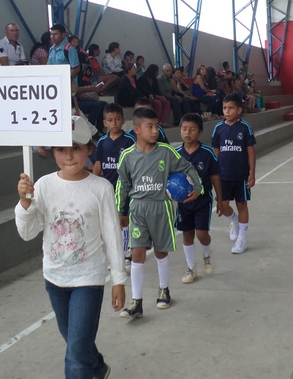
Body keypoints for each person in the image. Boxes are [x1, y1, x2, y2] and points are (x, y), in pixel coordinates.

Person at [15, 116, 126, 378]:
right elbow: (28, 233)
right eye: (61, 149)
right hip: (54, 278)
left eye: (76, 148)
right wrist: (25, 204)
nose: (68, 156)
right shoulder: (43, 186)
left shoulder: (101, 188)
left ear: (89, 149)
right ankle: (97, 366)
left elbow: (112, 234)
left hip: (88, 279)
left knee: (75, 356)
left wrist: (118, 280)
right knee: (76, 342)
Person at [116, 107, 201, 319]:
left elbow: (188, 167)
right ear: (136, 129)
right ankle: (136, 302)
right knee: (137, 253)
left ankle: (164, 290)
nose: (155, 131)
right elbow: (122, 184)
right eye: (150, 126)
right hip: (138, 209)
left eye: (157, 126)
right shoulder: (127, 156)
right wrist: (120, 210)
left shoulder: (165, 151)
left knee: (160, 252)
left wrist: (197, 187)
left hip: (161, 207)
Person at [175, 113, 223, 283]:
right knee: (187, 235)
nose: (187, 133)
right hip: (183, 203)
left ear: (200, 132)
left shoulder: (207, 153)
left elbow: (215, 176)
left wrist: (220, 199)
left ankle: (207, 254)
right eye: (184, 129)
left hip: (203, 201)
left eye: (192, 129)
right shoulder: (175, 154)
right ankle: (191, 268)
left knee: (202, 234)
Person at [211, 93, 256, 254]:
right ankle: (234, 221)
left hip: (241, 175)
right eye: (225, 108)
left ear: (239, 110)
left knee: (242, 204)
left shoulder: (245, 127)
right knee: (223, 206)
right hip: (223, 175)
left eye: (231, 108)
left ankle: (242, 238)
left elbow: (250, 151)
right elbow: (215, 153)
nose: (227, 111)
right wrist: (212, 172)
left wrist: (252, 173)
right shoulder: (218, 128)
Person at [93, 104, 136, 269]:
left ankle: (125, 254)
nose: (114, 123)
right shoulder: (102, 142)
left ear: (123, 121)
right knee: (111, 222)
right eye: (110, 120)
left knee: (123, 220)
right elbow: (98, 164)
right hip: (108, 187)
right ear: (104, 123)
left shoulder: (129, 140)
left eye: (117, 119)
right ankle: (118, 253)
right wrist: (93, 183)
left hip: (125, 188)